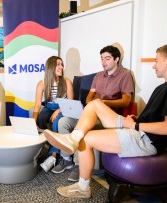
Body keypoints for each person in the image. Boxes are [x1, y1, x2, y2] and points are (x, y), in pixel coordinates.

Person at [43, 43, 167, 198]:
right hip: (137, 129)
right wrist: (135, 120)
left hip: (145, 139)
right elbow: (155, 117)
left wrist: (135, 124)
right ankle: (72, 139)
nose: (153, 66)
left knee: (86, 139)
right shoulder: (166, 87)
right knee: (94, 104)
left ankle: (82, 186)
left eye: (157, 61)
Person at [51, 45, 134, 182]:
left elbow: (126, 101)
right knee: (63, 121)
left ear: (116, 59)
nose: (103, 62)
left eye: (107, 58)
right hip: (91, 113)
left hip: (108, 117)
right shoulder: (98, 76)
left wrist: (104, 103)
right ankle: (66, 159)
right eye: (102, 58)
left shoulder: (125, 75)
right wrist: (92, 103)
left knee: (83, 128)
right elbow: (89, 97)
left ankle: (79, 165)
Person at [33, 56, 74, 172]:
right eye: (58, 64)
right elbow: (37, 105)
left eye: (62, 64)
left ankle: (53, 156)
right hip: (49, 106)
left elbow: (71, 105)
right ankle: (37, 151)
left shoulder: (67, 82)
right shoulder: (42, 83)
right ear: (51, 67)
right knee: (40, 119)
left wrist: (59, 110)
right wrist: (33, 121)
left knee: (57, 122)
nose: (61, 67)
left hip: (64, 108)